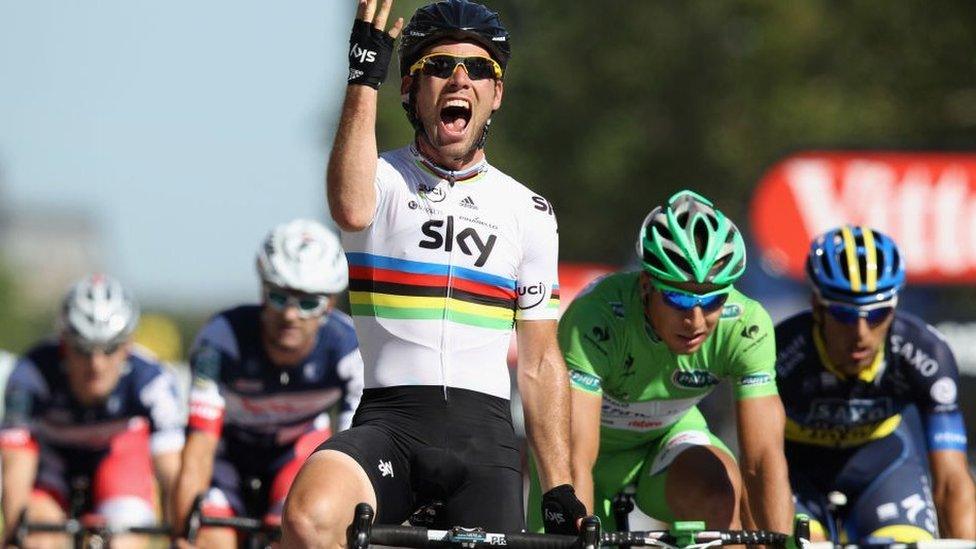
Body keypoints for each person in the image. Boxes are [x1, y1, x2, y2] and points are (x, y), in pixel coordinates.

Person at [282, 0, 584, 545]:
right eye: (440, 66)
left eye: (479, 69)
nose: (459, 79)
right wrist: (363, 77)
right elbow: (348, 208)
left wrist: (558, 486)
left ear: (497, 94)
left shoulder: (529, 211)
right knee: (311, 516)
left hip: (485, 444)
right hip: (390, 424)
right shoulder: (380, 180)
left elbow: (539, 361)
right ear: (410, 90)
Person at [527, 190, 794, 534]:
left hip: (666, 442)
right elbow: (576, 458)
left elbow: (763, 460)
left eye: (712, 299)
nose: (696, 320)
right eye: (679, 297)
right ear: (646, 285)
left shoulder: (745, 325)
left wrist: (784, 543)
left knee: (722, 492)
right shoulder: (598, 317)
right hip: (583, 457)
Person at [775, 225, 976, 543]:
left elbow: (952, 478)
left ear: (894, 307)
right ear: (817, 306)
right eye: (843, 314)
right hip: (794, 473)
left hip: (883, 468)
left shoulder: (925, 353)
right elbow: (758, 456)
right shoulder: (780, 352)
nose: (861, 332)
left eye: (877, 313)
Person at [170, 219, 362, 548]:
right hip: (228, 457)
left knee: (300, 532)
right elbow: (199, 449)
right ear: (262, 290)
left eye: (307, 302)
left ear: (329, 304)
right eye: (279, 297)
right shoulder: (221, 340)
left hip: (298, 452)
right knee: (209, 540)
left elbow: (355, 454)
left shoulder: (348, 348)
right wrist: (182, 534)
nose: (290, 315)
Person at [1, 274, 184, 548]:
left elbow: (171, 471)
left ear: (128, 345)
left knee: (125, 542)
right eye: (83, 349)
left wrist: (180, 536)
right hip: (54, 468)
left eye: (109, 349)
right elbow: (16, 463)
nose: (96, 365)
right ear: (64, 342)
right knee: (37, 536)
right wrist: (16, 533)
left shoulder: (152, 380)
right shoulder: (32, 373)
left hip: (119, 461)